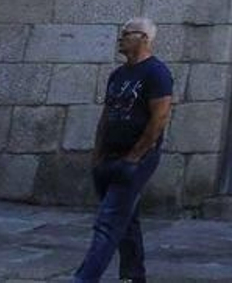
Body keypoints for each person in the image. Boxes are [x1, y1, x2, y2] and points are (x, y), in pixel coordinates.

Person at [74, 17, 174, 283]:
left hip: (135, 160)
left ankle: (83, 279)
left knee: (107, 224)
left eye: (126, 33)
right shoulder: (117, 75)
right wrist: (97, 152)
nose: (120, 37)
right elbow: (107, 114)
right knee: (127, 221)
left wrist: (135, 156)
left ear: (143, 38)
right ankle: (134, 275)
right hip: (108, 157)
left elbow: (160, 117)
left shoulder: (157, 73)